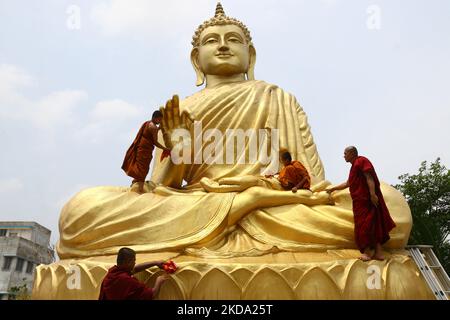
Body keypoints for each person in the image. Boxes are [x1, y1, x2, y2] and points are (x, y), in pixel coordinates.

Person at [326, 146, 397, 261]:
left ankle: (369, 253)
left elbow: (369, 177)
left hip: (367, 200)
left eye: (345, 153)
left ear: (352, 153)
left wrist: (373, 194)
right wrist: (333, 189)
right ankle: (378, 253)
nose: (343, 156)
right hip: (359, 202)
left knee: (368, 226)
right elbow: (348, 183)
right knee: (372, 226)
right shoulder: (353, 167)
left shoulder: (361, 161)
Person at [121, 111, 170, 194]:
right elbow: (155, 142)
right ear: (156, 118)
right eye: (160, 119)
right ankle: (139, 190)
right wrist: (165, 148)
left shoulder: (148, 124)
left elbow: (149, 134)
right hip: (145, 150)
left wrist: (158, 129)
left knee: (140, 169)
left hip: (142, 149)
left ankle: (135, 185)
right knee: (143, 170)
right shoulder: (153, 127)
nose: (160, 121)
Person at [98, 247, 168, 300]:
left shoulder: (113, 272)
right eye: (133, 261)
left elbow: (135, 269)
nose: (134, 263)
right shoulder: (126, 280)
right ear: (128, 262)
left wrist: (155, 263)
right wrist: (159, 281)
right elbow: (151, 294)